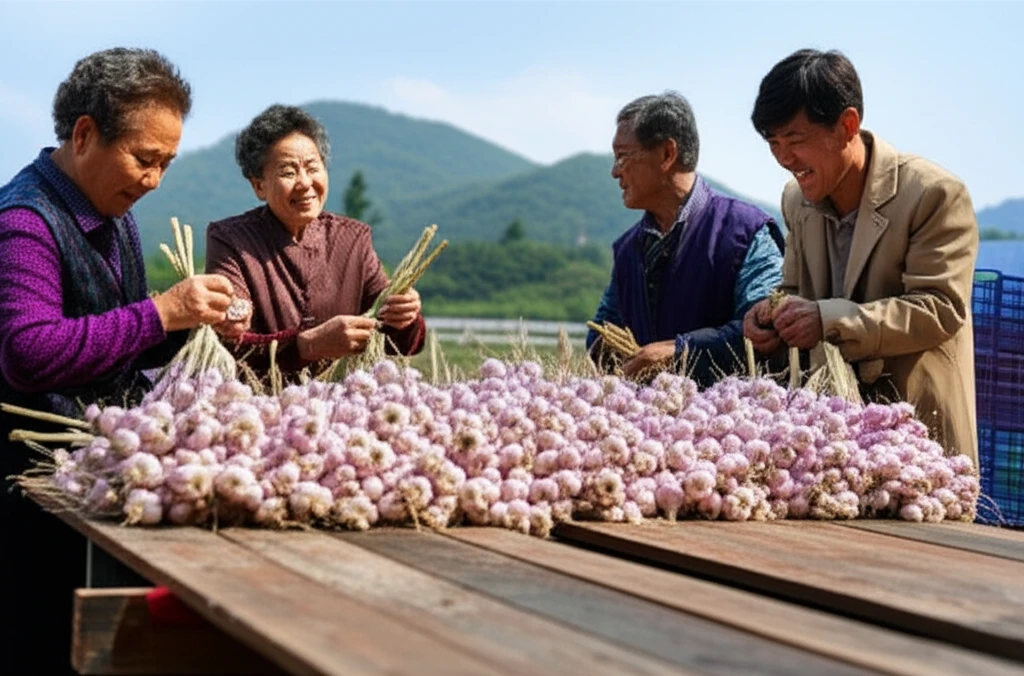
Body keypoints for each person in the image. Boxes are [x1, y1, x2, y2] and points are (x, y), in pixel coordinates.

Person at [0, 48, 246, 673]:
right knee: (38, 643)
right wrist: (161, 312)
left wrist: (188, 324)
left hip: (85, 480)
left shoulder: (113, 215)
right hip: (27, 495)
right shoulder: (24, 222)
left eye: (166, 163)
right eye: (144, 159)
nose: (154, 179)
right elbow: (28, 352)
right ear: (84, 134)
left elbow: (117, 336)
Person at [742, 49, 979, 464]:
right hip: (835, 444)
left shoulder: (934, 194)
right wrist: (770, 317)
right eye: (773, 143)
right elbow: (794, 291)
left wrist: (828, 319)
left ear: (847, 125)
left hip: (920, 437)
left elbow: (940, 309)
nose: (783, 159)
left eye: (795, 141)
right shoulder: (796, 201)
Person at [205, 104, 425, 380]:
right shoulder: (231, 239)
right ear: (259, 186)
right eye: (288, 172)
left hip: (341, 408)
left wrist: (405, 317)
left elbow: (400, 344)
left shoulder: (353, 239)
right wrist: (307, 346)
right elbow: (228, 343)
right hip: (257, 408)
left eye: (313, 168)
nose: (305, 183)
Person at [587, 92, 784, 385]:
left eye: (623, 156)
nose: (615, 171)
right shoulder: (628, 249)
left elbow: (763, 330)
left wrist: (680, 352)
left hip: (732, 422)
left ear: (667, 154)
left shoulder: (747, 231)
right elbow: (602, 333)